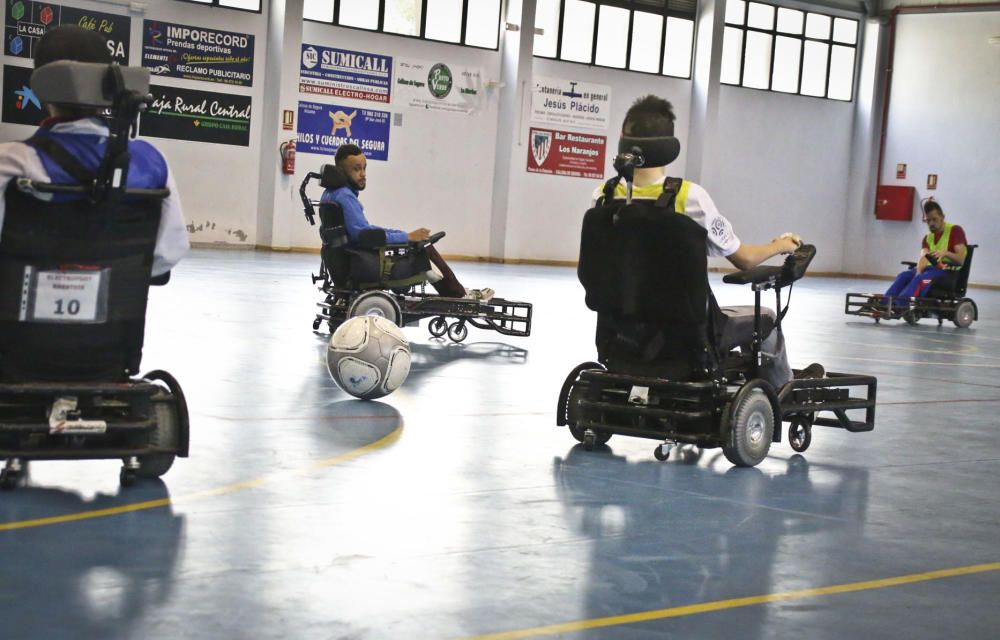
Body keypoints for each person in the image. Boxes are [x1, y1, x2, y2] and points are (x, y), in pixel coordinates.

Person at [593, 94, 822, 384]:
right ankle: (782, 386)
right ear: (669, 144)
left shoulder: (603, 197)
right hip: (687, 333)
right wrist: (780, 246)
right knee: (765, 316)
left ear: (623, 140)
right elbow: (744, 259)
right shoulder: (688, 197)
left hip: (622, 333)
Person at [0, 25, 188, 279]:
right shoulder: (153, 162)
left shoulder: (11, 160)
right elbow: (168, 254)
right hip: (117, 314)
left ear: (41, 86)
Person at [320, 143, 493, 301]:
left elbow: (364, 230)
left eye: (365, 168)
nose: (363, 174)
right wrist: (408, 237)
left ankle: (457, 292)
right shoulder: (345, 196)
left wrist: (402, 235)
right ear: (342, 171)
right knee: (425, 250)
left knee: (418, 244)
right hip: (362, 264)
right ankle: (460, 296)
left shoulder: (330, 194)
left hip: (346, 260)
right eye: (356, 169)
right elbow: (365, 236)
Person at [881, 199, 967, 305]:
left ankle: (899, 306)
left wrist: (945, 253)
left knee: (922, 279)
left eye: (934, 219)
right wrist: (918, 271)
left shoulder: (955, 231)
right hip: (930, 270)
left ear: (942, 217)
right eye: (928, 220)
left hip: (947, 273)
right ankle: (884, 304)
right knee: (903, 276)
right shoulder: (927, 238)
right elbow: (923, 256)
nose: (931, 223)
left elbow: (961, 260)